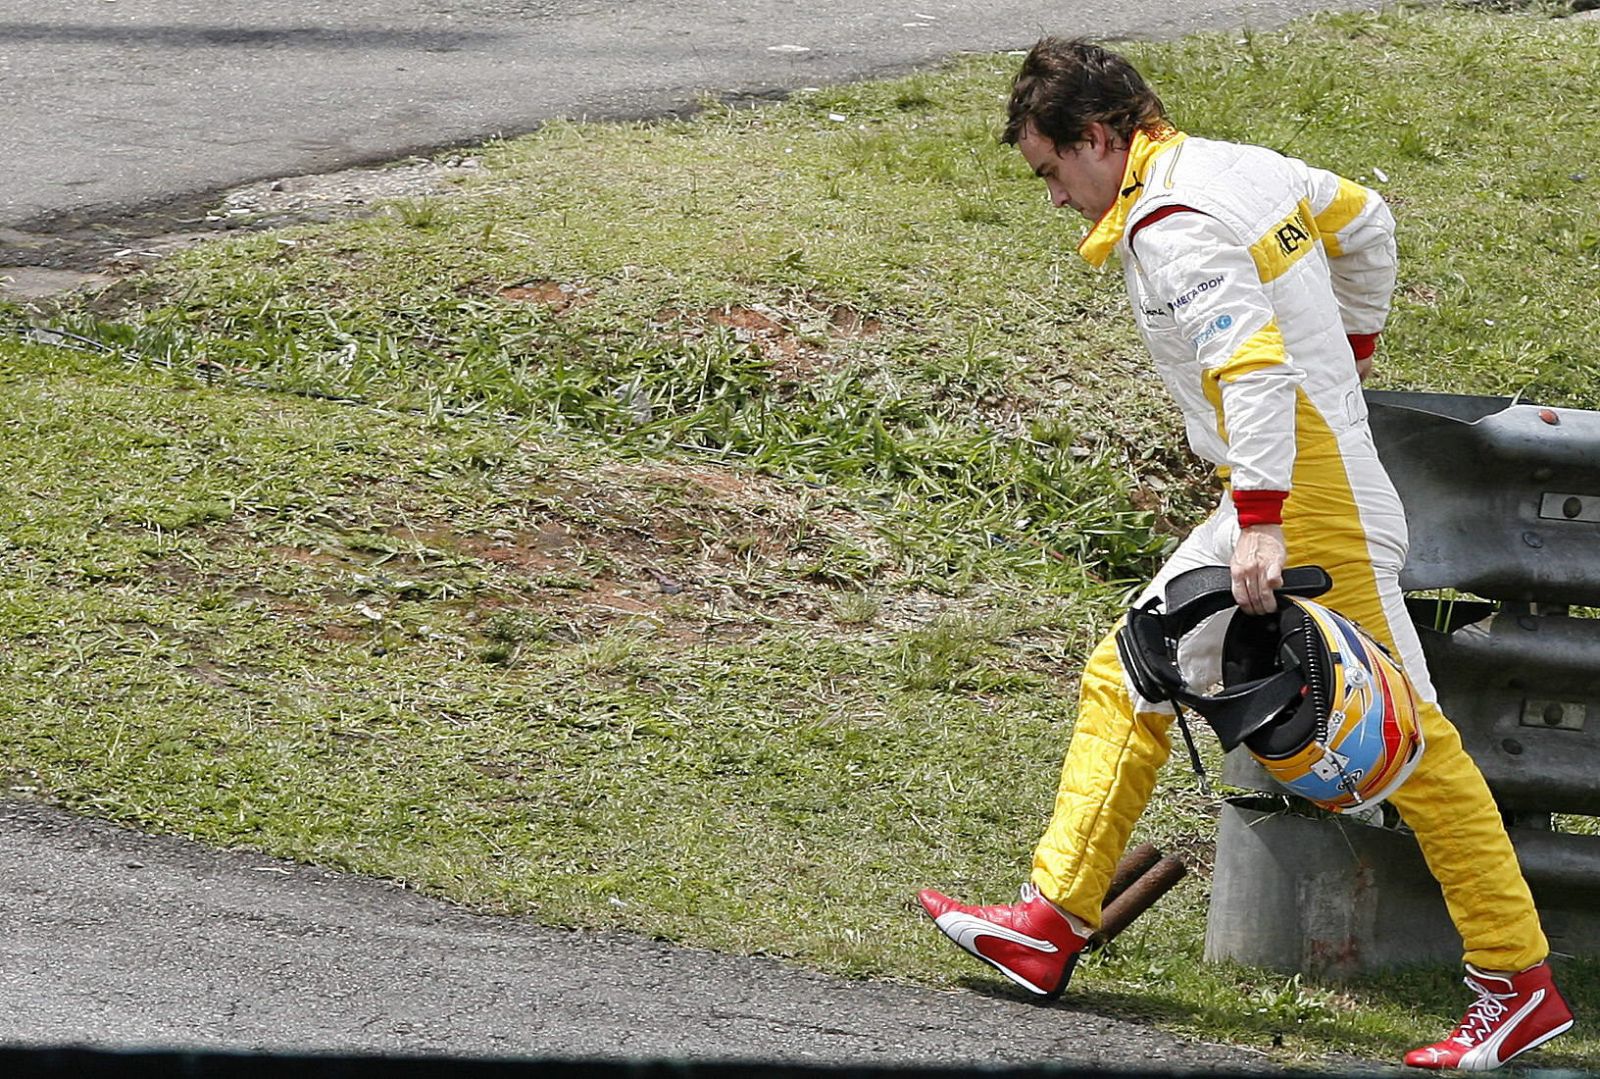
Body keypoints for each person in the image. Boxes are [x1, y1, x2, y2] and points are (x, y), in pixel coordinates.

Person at [917, 37, 1573, 1071]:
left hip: (1304, 497)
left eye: (1052, 171)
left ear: (1097, 137)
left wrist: (1263, 514)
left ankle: (1517, 985)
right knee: (1130, 666)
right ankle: (1048, 919)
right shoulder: (1239, 164)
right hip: (1300, 478)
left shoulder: (1173, 224)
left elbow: (1254, 372)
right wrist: (1348, 359)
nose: (1053, 198)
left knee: (1418, 745)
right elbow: (1367, 222)